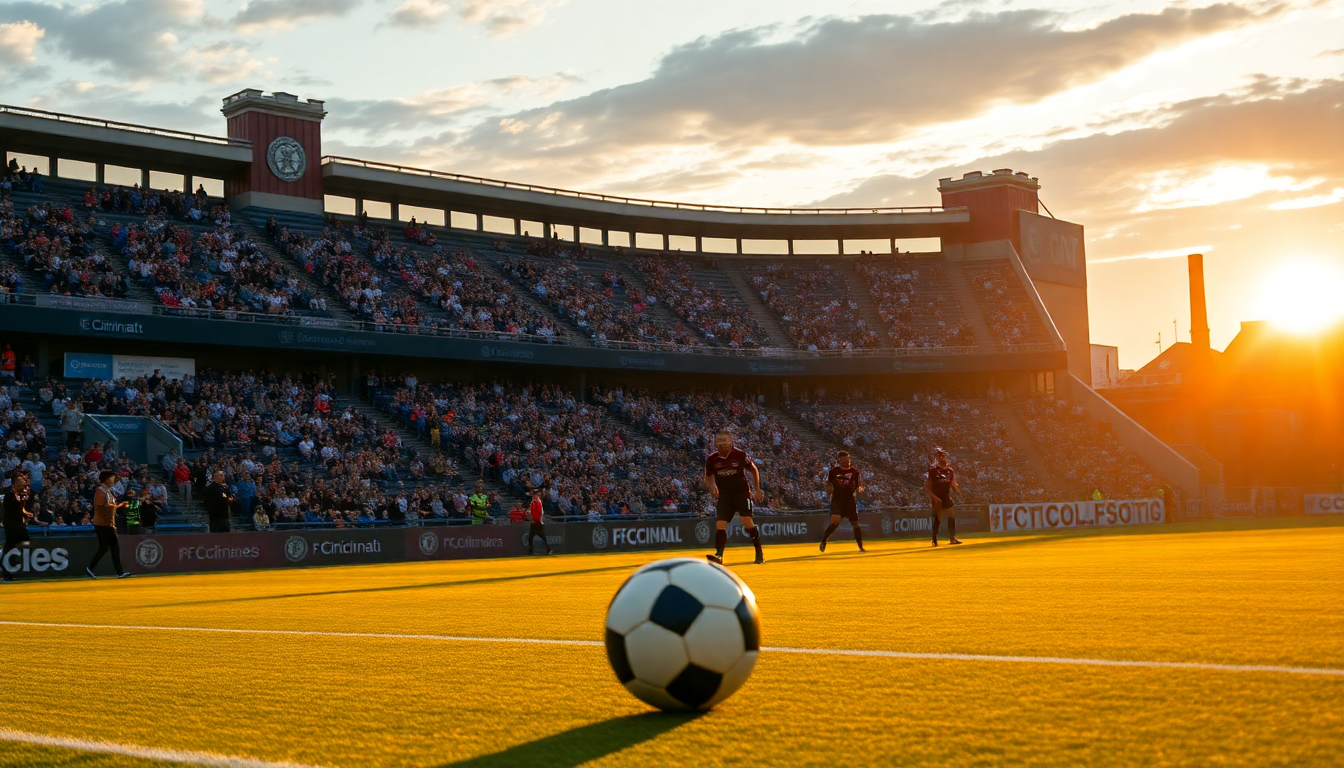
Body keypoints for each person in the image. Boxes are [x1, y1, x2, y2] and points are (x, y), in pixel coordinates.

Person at [704, 430, 765, 565]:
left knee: (746, 522)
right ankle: (719, 555)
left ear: (731, 440)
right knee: (720, 525)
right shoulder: (712, 459)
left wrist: (757, 489)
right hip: (725, 496)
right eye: (719, 440)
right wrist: (712, 486)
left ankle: (758, 549)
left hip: (742, 494)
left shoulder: (740, 455)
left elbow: (753, 470)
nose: (721, 442)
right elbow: (708, 477)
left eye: (724, 440)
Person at [87, 470, 130, 579]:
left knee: (107, 547)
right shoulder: (100, 491)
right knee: (110, 547)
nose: (113, 480)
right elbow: (100, 507)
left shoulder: (107, 491)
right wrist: (117, 506)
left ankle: (92, 568)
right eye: (111, 478)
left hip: (107, 523)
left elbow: (108, 506)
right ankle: (118, 572)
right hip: (102, 523)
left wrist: (117, 507)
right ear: (105, 479)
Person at [820, 450, 864, 553]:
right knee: (835, 522)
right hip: (837, 500)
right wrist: (828, 490)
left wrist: (859, 489)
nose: (843, 461)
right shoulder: (834, 471)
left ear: (849, 458)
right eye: (841, 459)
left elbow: (858, 484)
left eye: (845, 458)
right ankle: (824, 540)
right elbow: (828, 483)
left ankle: (861, 547)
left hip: (849, 500)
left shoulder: (855, 471)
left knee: (855, 523)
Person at [925, 448, 963, 546]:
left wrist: (957, 492)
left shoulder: (950, 471)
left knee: (951, 513)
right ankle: (934, 538)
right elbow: (927, 487)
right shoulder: (933, 471)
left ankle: (952, 537)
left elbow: (953, 483)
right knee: (939, 518)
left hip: (946, 495)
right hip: (937, 496)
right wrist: (934, 497)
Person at [2, 470, 33, 582]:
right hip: (11, 526)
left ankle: (12, 563)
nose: (23, 483)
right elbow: (10, 510)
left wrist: (25, 513)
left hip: (19, 524)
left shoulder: (20, 496)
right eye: (20, 481)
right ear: (15, 483)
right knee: (9, 548)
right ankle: (7, 570)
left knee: (25, 545)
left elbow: (21, 508)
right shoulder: (9, 496)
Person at [527, 489, 552, 555]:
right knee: (536, 537)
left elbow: (538, 512)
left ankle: (547, 550)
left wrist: (536, 520)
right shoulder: (536, 502)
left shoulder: (536, 502)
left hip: (536, 522)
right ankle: (547, 550)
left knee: (534, 537)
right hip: (537, 522)